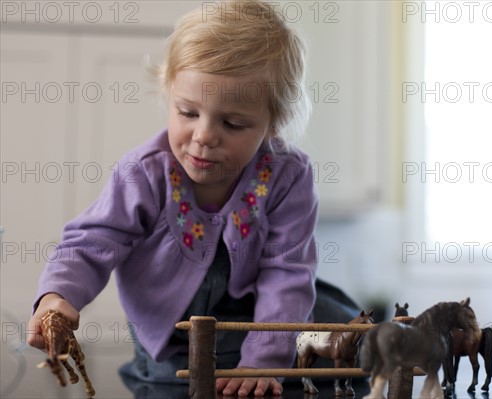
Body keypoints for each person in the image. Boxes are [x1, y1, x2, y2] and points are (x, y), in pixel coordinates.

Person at [26, 1, 357, 396]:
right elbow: (91, 242)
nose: (203, 135)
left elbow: (287, 270)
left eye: (232, 123)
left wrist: (263, 361)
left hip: (257, 320)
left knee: (349, 341)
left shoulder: (288, 175)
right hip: (172, 333)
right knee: (176, 387)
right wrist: (56, 297)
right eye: (187, 112)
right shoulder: (145, 172)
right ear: (169, 93)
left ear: (275, 122)